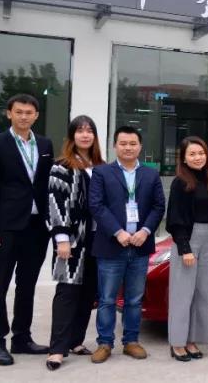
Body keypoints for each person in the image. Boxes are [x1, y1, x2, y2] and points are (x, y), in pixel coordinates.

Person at [0, 94, 55, 365]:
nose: (24, 116)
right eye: (19, 112)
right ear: (9, 113)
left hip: (36, 227)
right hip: (5, 227)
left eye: (29, 112)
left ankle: (21, 338)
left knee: (27, 285)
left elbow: (46, 183)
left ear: (36, 116)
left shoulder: (44, 144)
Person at [88, 125, 166, 363]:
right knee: (107, 299)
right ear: (115, 146)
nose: (128, 148)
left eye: (133, 143)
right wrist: (117, 232)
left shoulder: (151, 174)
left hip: (140, 246)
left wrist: (145, 231)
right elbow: (96, 205)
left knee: (134, 299)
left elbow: (158, 206)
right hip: (111, 246)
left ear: (140, 146)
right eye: (123, 143)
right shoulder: (102, 172)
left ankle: (131, 341)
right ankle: (104, 343)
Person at [44, 115, 103, 370]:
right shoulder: (62, 166)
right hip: (72, 239)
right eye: (80, 131)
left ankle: (75, 341)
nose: (85, 135)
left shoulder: (100, 166)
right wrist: (61, 238)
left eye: (89, 131)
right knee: (67, 292)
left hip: (98, 239)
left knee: (88, 292)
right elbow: (55, 203)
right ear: (72, 136)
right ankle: (57, 349)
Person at [165, 136, 208, 362]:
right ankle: (177, 343)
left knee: (203, 293)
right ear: (184, 158)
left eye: (201, 153)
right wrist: (185, 248)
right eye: (192, 154)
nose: (198, 157)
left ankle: (192, 339)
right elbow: (175, 218)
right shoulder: (180, 182)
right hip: (188, 239)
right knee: (182, 293)